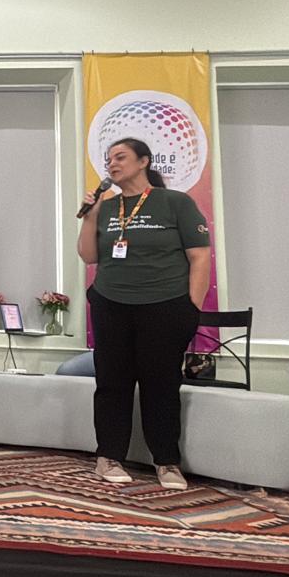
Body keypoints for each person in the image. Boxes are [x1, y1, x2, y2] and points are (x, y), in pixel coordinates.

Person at [77, 137, 210, 491]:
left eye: (120, 157)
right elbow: (89, 256)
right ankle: (108, 457)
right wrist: (90, 215)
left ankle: (166, 462)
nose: (112, 164)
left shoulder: (175, 202)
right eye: (109, 159)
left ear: (144, 161)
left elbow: (199, 256)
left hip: (165, 305)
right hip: (112, 304)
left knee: (161, 385)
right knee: (111, 384)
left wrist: (191, 307)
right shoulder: (106, 206)